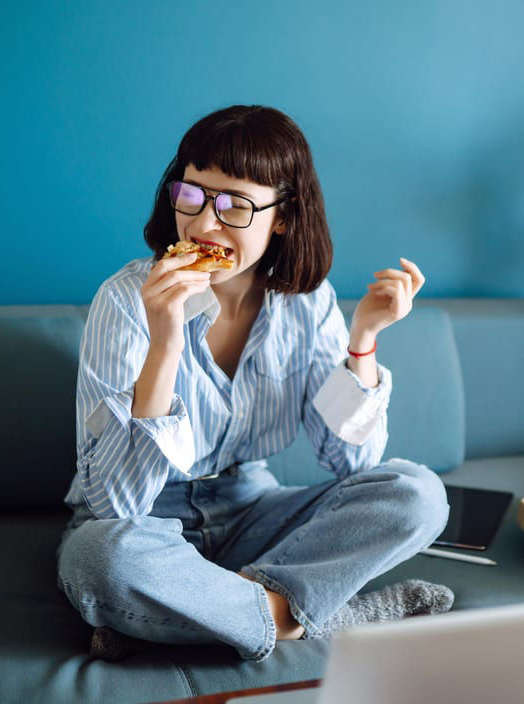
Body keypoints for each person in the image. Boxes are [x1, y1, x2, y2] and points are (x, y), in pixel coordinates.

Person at [56, 105, 453, 663]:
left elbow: (353, 465)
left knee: (418, 494)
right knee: (103, 559)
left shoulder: (308, 302)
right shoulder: (125, 300)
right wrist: (165, 342)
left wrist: (361, 339)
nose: (204, 224)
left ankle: (191, 616)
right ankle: (322, 616)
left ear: (284, 217)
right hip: (147, 522)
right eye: (192, 195)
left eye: (234, 206)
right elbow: (116, 504)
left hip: (251, 509)